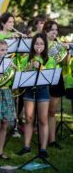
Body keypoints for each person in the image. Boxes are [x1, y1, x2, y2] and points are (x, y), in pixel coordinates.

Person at [17, 33, 56, 158]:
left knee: (43, 119)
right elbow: (22, 75)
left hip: (43, 90)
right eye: (36, 43)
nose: (39, 46)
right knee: (28, 118)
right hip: (29, 90)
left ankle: (43, 149)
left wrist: (39, 66)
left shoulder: (50, 60)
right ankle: (26, 146)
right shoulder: (25, 59)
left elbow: (50, 76)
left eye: (41, 44)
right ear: (33, 45)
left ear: (45, 46)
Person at [43, 20, 65, 150]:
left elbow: (65, 63)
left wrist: (66, 50)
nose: (55, 32)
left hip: (56, 76)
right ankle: (43, 139)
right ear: (46, 31)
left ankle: (52, 140)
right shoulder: (42, 43)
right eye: (52, 30)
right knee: (43, 112)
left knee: (52, 111)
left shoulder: (58, 45)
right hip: (45, 76)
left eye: (56, 30)